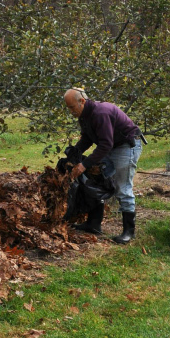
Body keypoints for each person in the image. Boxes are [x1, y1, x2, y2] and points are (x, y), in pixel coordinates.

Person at [63, 88, 143, 244]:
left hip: (127, 146)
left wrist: (84, 164)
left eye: (72, 107)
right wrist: (75, 153)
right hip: (111, 147)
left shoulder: (101, 113)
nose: (71, 111)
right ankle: (94, 224)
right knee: (96, 180)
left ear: (82, 101)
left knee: (123, 187)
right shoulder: (84, 115)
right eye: (68, 108)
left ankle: (129, 232)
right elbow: (87, 138)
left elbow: (105, 144)